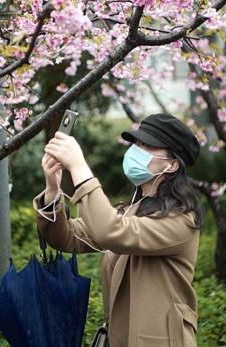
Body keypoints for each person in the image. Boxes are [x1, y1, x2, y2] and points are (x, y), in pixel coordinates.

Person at [33, 113, 204, 347]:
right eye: (136, 143)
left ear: (172, 164)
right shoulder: (130, 210)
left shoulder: (182, 219)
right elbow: (67, 237)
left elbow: (111, 232)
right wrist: (53, 188)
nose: (136, 150)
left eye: (147, 145)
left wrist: (79, 168)